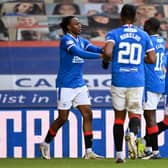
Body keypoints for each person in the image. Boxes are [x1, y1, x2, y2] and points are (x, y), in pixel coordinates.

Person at [39, 16, 104, 160]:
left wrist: (111, 47)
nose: (80, 25)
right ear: (68, 27)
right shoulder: (66, 40)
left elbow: (97, 48)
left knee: (88, 114)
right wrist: (101, 56)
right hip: (65, 85)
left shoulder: (82, 41)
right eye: (76, 23)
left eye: (80, 23)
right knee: (63, 118)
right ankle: (45, 143)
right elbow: (80, 53)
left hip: (80, 84)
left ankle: (88, 152)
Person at [102, 4, 156, 163]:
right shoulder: (144, 35)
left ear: (121, 17)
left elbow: (107, 52)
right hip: (137, 80)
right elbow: (152, 59)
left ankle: (119, 155)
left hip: (119, 79)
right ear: (135, 17)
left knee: (119, 118)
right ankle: (132, 134)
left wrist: (107, 61)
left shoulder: (114, 33)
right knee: (135, 114)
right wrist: (140, 59)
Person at [139, 17, 166, 160]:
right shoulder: (161, 41)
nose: (143, 26)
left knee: (150, 117)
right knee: (148, 116)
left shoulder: (147, 42)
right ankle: (148, 149)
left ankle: (155, 152)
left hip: (150, 83)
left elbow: (148, 58)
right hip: (160, 81)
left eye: (145, 24)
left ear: (149, 26)